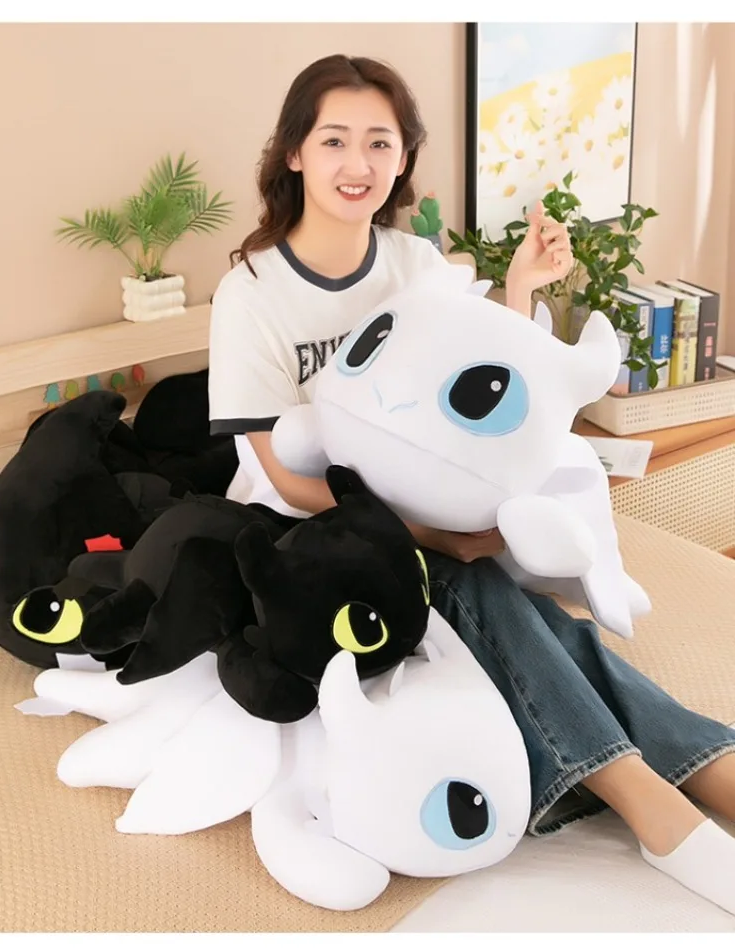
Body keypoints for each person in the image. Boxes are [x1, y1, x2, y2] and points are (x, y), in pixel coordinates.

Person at [207, 53, 735, 916]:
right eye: (334, 140)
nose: (357, 163)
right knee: (476, 583)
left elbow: (475, 384)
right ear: (294, 152)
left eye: (380, 142)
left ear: (402, 158)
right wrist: (434, 536)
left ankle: (702, 773)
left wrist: (521, 290)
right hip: (304, 532)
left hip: (422, 511)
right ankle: (655, 798)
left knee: (537, 615)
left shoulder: (415, 266)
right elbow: (284, 475)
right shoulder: (252, 291)